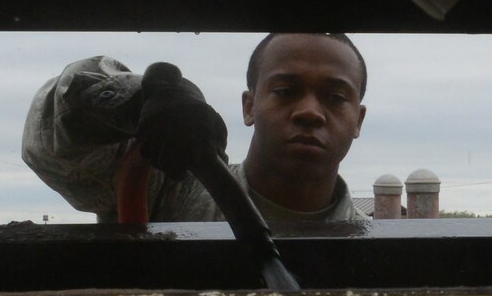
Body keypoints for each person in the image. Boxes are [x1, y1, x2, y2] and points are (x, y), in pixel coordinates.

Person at [22, 33, 368, 226]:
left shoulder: (375, 241)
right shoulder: (167, 188)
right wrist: (138, 101)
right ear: (249, 107)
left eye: (336, 97)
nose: (309, 112)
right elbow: (50, 149)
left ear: (359, 121)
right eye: (285, 91)